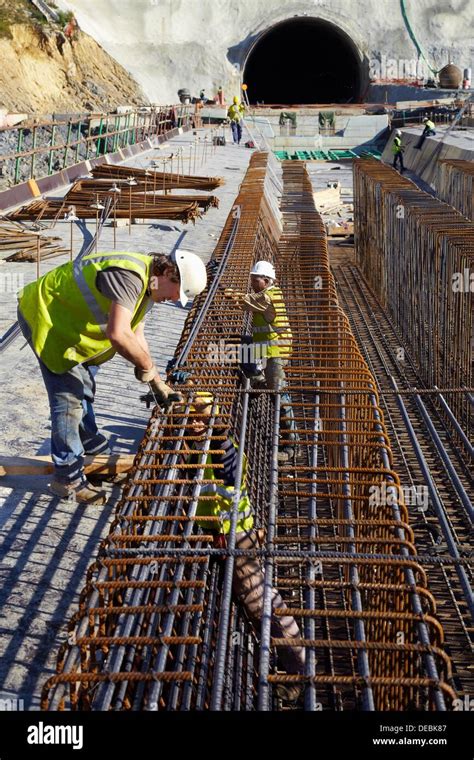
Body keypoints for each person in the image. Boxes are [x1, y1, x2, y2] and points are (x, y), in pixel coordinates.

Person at [17, 250, 207, 505]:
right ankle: (67, 479)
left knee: (83, 389)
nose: (174, 299)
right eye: (177, 292)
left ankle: (96, 456)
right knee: (68, 401)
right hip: (47, 319)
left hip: (70, 326)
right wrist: (145, 366)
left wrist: (157, 381)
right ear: (169, 273)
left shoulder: (149, 286)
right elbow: (119, 334)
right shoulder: (130, 277)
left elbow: (136, 335)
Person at [175, 391, 306, 702]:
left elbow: (224, 464)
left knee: (261, 603)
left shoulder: (223, 450)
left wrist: (211, 427)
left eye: (200, 418)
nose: (194, 423)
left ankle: (299, 673)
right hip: (226, 537)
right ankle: (292, 665)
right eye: (191, 418)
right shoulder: (204, 446)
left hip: (238, 539)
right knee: (258, 603)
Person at [224, 260, 297, 463]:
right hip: (267, 348)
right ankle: (258, 379)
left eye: (254, 279)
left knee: (280, 396)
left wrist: (226, 291)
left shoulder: (267, 297)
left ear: (265, 280)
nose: (251, 281)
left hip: (276, 352)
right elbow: (248, 299)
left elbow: (243, 302)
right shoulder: (267, 294)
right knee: (240, 344)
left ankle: (292, 446)